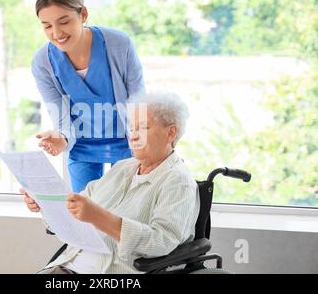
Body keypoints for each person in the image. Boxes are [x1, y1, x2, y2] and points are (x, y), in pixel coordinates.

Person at [21, 92, 200, 274]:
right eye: (132, 128)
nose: (133, 136)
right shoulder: (122, 168)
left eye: (143, 128)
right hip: (67, 264)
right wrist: (45, 204)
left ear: (171, 132)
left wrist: (99, 217)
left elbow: (162, 241)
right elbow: (75, 209)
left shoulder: (178, 182)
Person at [31, 0, 145, 192]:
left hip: (125, 141)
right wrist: (63, 138)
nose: (56, 33)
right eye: (47, 25)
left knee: (124, 208)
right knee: (84, 211)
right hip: (81, 144)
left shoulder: (119, 44)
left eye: (64, 21)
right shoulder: (43, 62)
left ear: (83, 14)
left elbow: (138, 99)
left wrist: (143, 141)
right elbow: (59, 113)